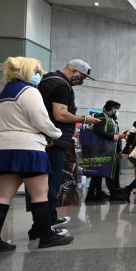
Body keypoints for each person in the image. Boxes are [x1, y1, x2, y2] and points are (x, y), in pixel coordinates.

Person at [0, 56, 73, 255]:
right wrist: (56, 134)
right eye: (37, 71)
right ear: (27, 72)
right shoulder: (29, 91)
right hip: (28, 148)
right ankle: (46, 236)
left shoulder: (4, 93)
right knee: (40, 194)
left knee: (3, 196)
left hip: (4, 148)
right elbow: (41, 120)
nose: (39, 75)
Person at [37, 59, 99, 227]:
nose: (81, 81)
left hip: (46, 139)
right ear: (73, 71)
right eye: (81, 77)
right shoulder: (61, 86)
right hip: (56, 141)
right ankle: (46, 224)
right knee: (52, 183)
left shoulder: (47, 80)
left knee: (44, 184)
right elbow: (61, 115)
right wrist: (85, 119)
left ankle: (46, 221)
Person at [86, 100, 126, 203]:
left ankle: (96, 194)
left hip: (109, 150)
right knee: (109, 173)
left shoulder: (109, 119)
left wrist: (119, 150)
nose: (117, 112)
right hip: (104, 150)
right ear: (113, 109)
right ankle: (113, 194)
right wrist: (114, 137)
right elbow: (98, 131)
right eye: (116, 109)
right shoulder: (102, 117)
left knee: (99, 173)